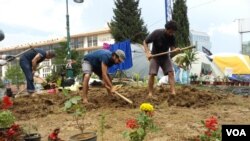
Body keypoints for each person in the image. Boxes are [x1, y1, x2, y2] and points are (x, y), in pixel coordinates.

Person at [143, 20, 180, 97]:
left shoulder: (172, 37)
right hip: (155, 56)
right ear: (166, 29)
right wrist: (147, 53)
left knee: (171, 73)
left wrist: (176, 50)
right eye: (170, 31)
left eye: (173, 32)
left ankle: (173, 92)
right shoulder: (157, 33)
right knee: (152, 73)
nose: (171, 34)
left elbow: (172, 49)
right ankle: (150, 93)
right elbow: (145, 42)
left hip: (165, 57)